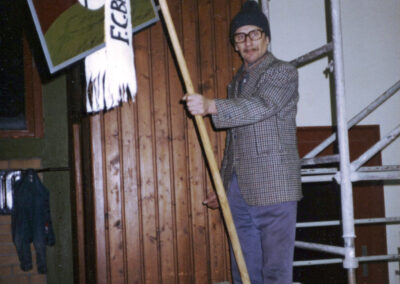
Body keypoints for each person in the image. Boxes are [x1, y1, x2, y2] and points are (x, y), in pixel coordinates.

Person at [182, 1, 302, 283]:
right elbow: (234, 142)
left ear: (267, 37)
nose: (247, 42)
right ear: (235, 45)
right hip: (239, 192)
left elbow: (262, 106)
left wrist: (212, 106)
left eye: (254, 34)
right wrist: (224, 187)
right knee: (244, 272)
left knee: (275, 272)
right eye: (240, 36)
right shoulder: (236, 82)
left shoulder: (283, 72)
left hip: (274, 189)